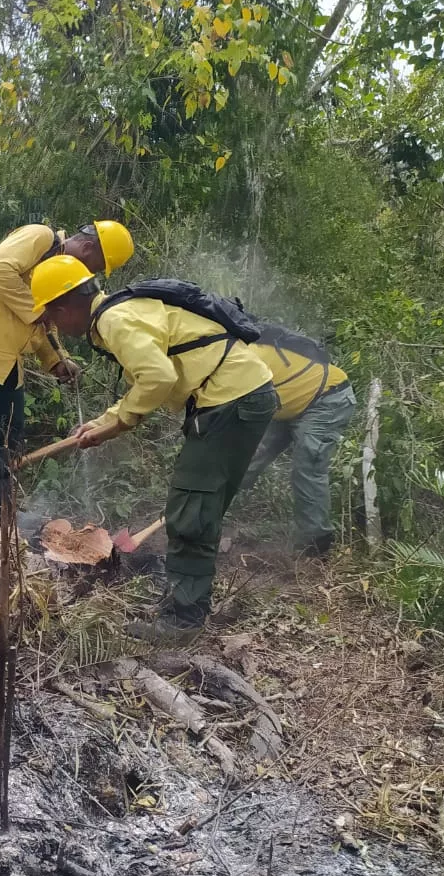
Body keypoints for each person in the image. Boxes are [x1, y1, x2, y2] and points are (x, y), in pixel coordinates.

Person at [31, 255, 277, 641]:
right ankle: (186, 605)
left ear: (64, 308)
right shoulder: (119, 312)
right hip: (238, 398)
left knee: (191, 511)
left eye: (51, 317)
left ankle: (181, 622)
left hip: (230, 401)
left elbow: (158, 377)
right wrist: (103, 421)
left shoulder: (114, 321)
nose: (54, 326)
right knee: (198, 507)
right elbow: (150, 375)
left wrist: (121, 423)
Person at [0, 220, 134, 536]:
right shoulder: (40, 238)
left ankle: (2, 508)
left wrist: (56, 360)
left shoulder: (58, 266)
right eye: (94, 265)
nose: (89, 273)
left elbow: (46, 322)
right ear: (87, 248)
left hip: (9, 357)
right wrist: (39, 310)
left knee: (11, 434)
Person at [243, 326, 355, 558]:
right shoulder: (231, 353)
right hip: (288, 406)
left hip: (325, 398)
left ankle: (316, 542)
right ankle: (208, 512)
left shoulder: (246, 358)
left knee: (307, 466)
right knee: (244, 458)